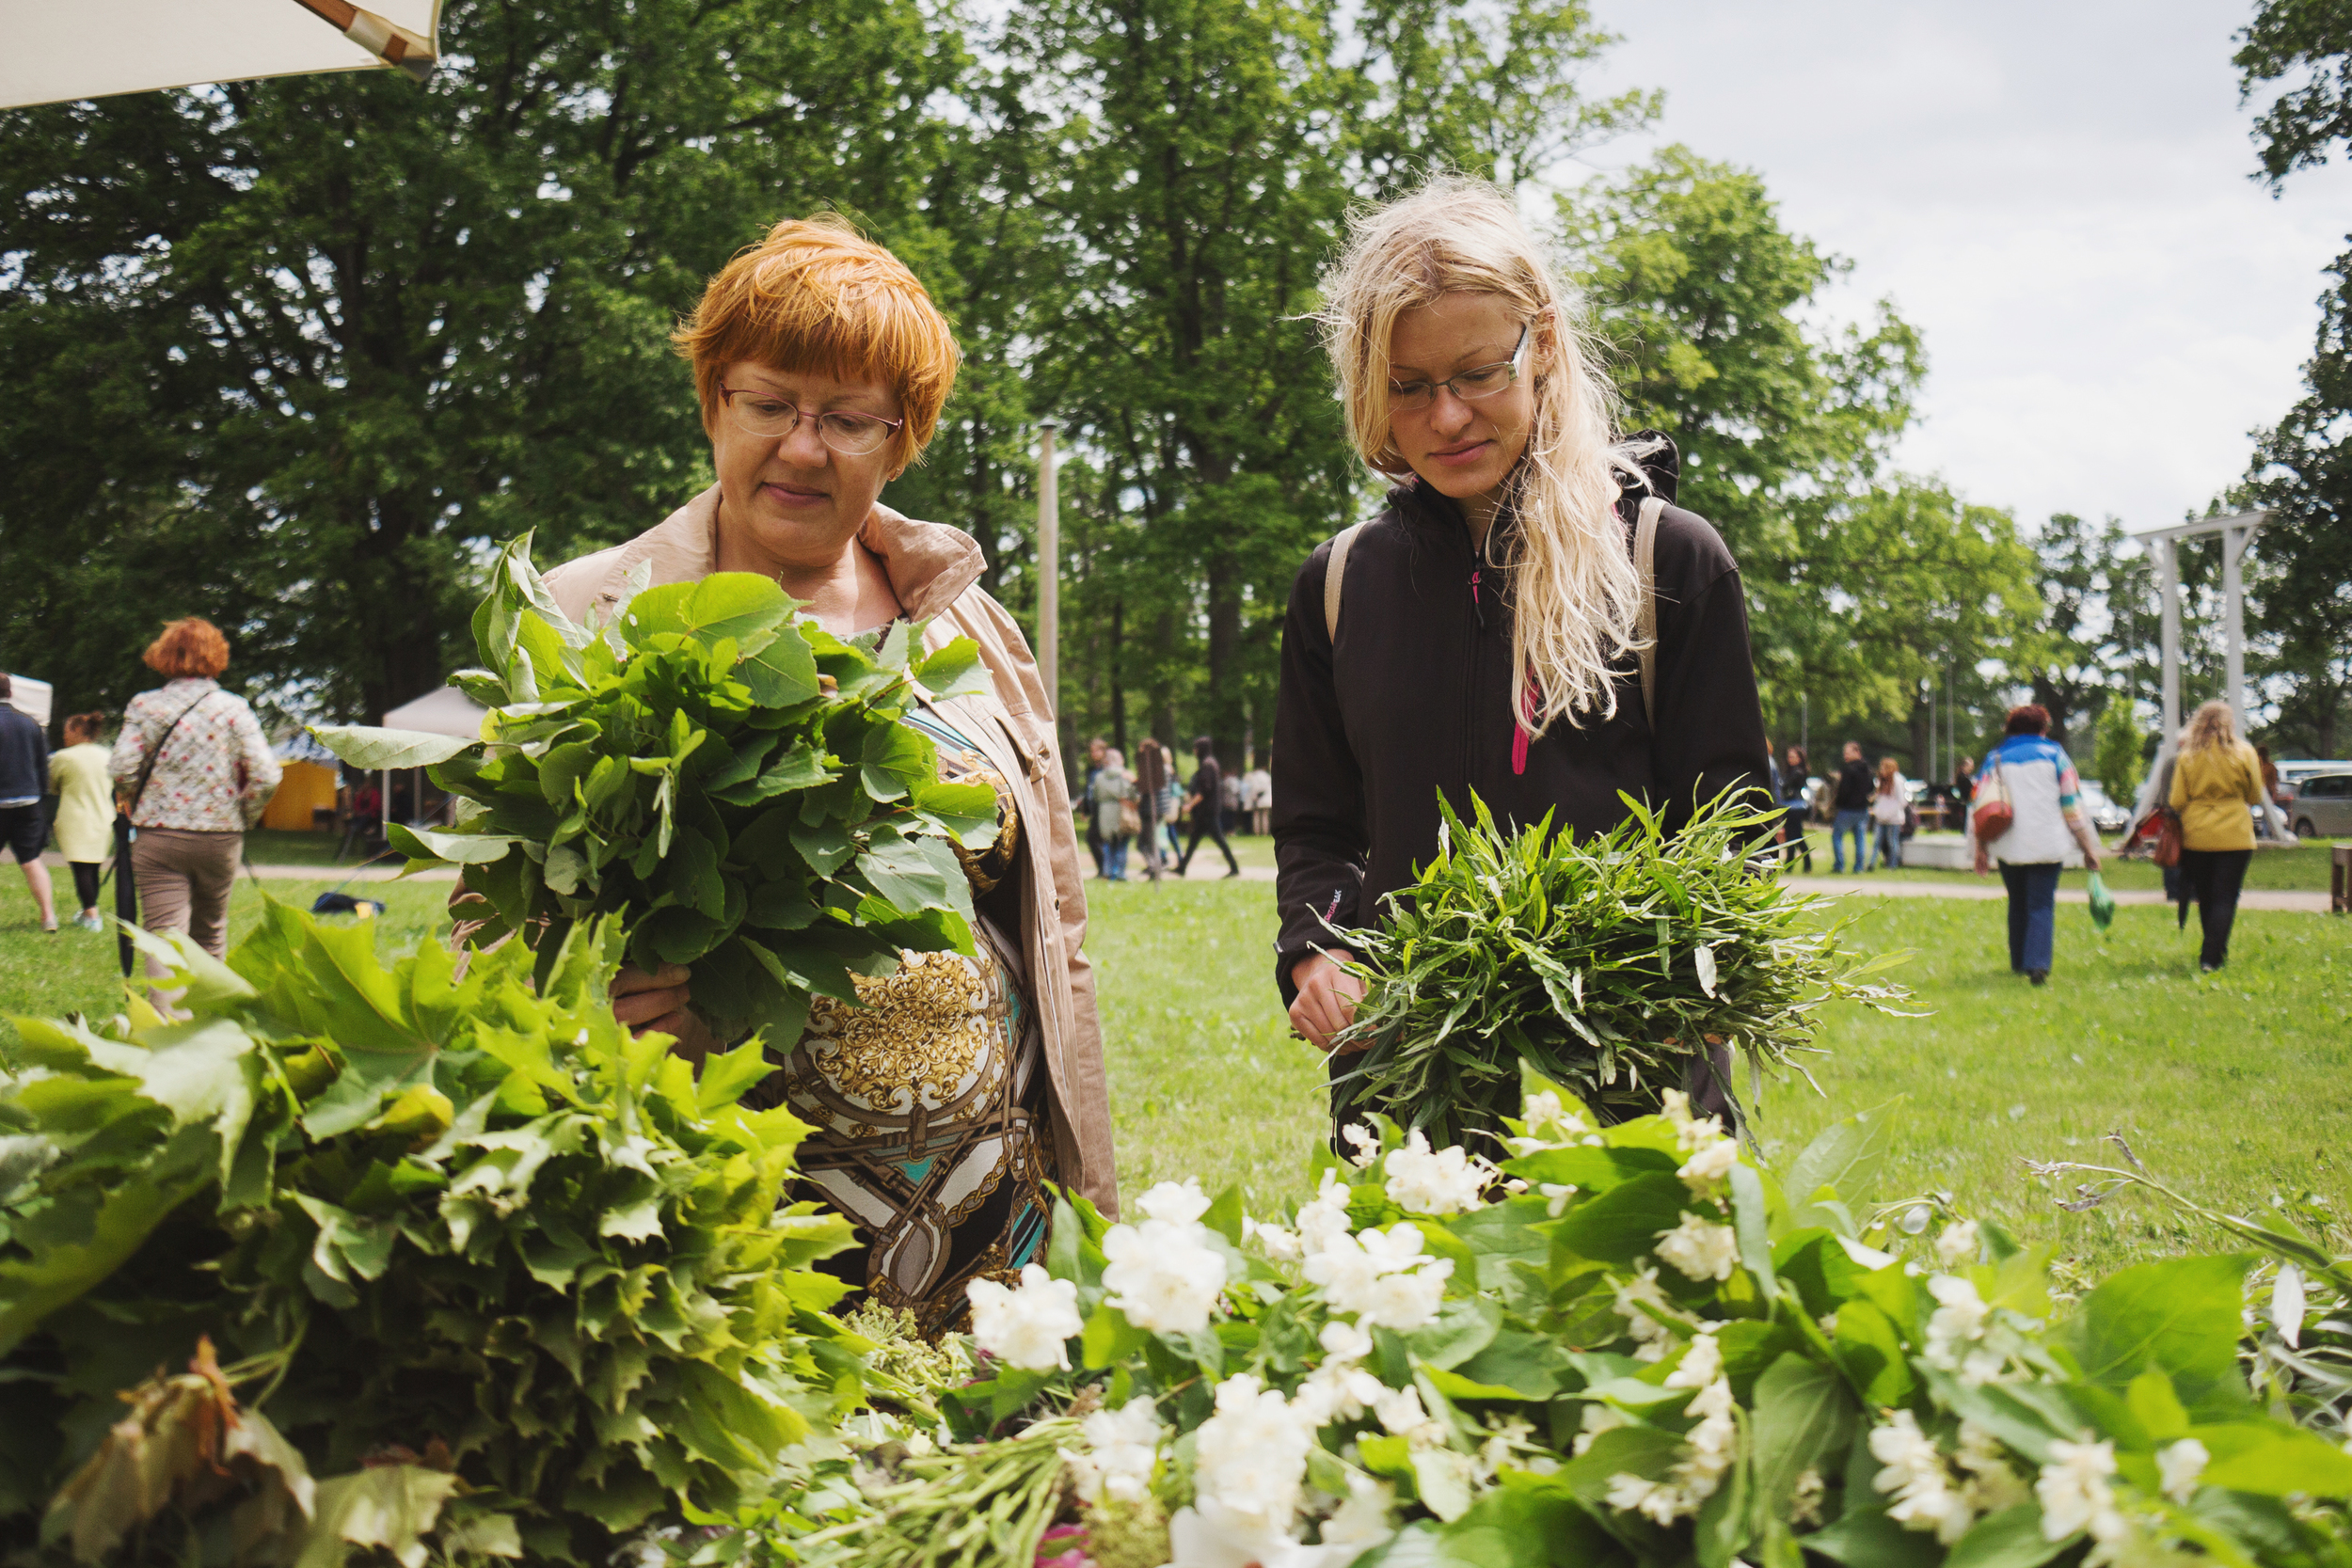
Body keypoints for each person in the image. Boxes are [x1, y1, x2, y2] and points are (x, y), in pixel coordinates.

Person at [535, 214, 1116, 1328]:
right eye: (769, 404)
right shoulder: (587, 615)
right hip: (724, 1248)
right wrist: (611, 1016)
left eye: (848, 419)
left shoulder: (971, 626)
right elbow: (497, 940)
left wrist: (1096, 1211)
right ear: (713, 403)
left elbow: (1057, 943)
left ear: (901, 441)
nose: (803, 447)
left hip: (999, 1256)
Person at [1274, 174, 1770, 1120]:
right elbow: (1317, 829)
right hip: (1411, 1082)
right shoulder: (1336, 587)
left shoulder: (1667, 559)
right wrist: (1319, 947)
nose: (1446, 417)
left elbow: (1732, 829)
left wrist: (1703, 989)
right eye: (1408, 388)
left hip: (1633, 1074)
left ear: (1540, 342)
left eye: (1475, 373)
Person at [109, 620, 281, 965]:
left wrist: (131, 798)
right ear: (217, 655)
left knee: (165, 940)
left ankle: (168, 1017)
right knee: (210, 937)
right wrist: (242, 814)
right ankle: (208, 1016)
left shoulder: (145, 705)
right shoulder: (234, 707)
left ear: (163, 655)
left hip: (159, 835)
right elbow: (266, 775)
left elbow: (121, 768)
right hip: (220, 836)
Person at [1966, 705, 2101, 986]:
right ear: (2043, 728)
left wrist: (1980, 848)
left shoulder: (1995, 758)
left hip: (2007, 843)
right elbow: (2071, 807)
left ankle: (2018, 961)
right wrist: (2088, 847)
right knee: (2041, 903)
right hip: (2047, 842)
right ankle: (2037, 963)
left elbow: (1980, 805)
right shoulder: (2056, 756)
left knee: (2017, 902)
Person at [2169, 700, 2265, 974]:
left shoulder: (2187, 756)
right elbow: (2255, 795)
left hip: (2197, 834)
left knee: (2207, 896)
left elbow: (2177, 799)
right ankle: (2211, 956)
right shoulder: (2245, 752)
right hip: (2235, 833)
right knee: (2226, 896)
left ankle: (2213, 952)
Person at [0, 673, 57, 933]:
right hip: (29, 801)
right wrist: (41, 798)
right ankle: (48, 916)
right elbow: (42, 766)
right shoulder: (31, 724)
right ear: (10, 693)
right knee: (31, 859)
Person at [49, 711, 115, 931]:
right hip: (103, 817)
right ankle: (88, 911)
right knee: (93, 866)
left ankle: (92, 915)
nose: (64, 736)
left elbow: (52, 786)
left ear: (76, 730)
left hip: (75, 818)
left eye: (67, 730)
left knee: (81, 868)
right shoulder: (107, 755)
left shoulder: (64, 757)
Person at [1176, 736, 1242, 878]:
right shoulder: (1210, 763)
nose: (1194, 751)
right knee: (1195, 839)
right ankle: (1182, 867)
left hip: (1208, 810)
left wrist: (1190, 805)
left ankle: (1234, 867)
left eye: (1196, 748)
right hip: (1207, 810)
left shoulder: (1207, 765)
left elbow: (1205, 789)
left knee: (1219, 839)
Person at [1092, 747, 1135, 881]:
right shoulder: (1125, 775)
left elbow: (1096, 796)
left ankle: (1107, 871)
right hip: (1122, 810)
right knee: (1122, 842)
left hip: (1105, 811)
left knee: (1108, 842)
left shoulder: (1099, 777)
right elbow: (1131, 793)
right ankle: (1120, 872)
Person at [1830, 740, 1871, 873]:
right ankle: (1859, 867)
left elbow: (1844, 790)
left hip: (1847, 809)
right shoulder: (1867, 769)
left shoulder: (1848, 770)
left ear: (1857, 752)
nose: (1845, 756)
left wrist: (1838, 803)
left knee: (1837, 835)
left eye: (1847, 753)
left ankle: (1839, 865)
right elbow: (1871, 787)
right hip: (1862, 808)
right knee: (1860, 838)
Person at [1135, 737, 1169, 881]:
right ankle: (1156, 866)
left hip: (1152, 808)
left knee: (1143, 842)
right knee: (1150, 841)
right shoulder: (1162, 768)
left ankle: (1155, 867)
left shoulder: (1156, 769)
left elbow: (1148, 788)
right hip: (1158, 808)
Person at [1867, 755, 1908, 871]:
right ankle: (1871, 863)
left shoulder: (1897, 781)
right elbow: (1879, 798)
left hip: (1894, 818)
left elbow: (1902, 801)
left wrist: (1891, 813)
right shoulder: (1880, 781)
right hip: (1881, 817)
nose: (1882, 770)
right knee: (1876, 841)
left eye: (1884, 768)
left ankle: (1893, 863)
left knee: (1892, 841)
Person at [1776, 744, 1813, 872]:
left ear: (1799, 758)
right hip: (1789, 806)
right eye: (1789, 757)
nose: (1790, 759)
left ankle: (1801, 864)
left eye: (1793, 757)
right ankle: (1792, 864)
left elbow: (1785, 785)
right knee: (1793, 836)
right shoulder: (1791, 771)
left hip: (1796, 807)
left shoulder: (1798, 772)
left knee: (1796, 837)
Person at [1082, 736, 1108, 876]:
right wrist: (1085, 809)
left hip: (1104, 809)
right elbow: (1089, 790)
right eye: (1092, 751)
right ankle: (1103, 868)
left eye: (1097, 751)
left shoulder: (1106, 769)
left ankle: (1105, 869)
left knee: (1098, 838)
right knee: (1092, 838)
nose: (1094, 754)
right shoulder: (1091, 770)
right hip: (1094, 810)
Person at [1243, 763, 1273, 836]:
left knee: (1256, 817)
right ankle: (1265, 832)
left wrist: (1254, 798)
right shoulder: (1267, 776)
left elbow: (1254, 789)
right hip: (1267, 800)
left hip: (1258, 799)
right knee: (1265, 817)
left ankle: (1257, 832)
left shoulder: (1254, 777)